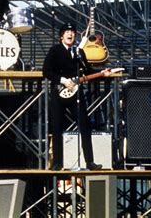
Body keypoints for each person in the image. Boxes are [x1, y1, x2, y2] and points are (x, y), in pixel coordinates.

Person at [42, 23, 111, 171]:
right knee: (57, 127)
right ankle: (57, 163)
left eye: (72, 32)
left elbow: (87, 71)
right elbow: (46, 71)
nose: (70, 34)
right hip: (59, 91)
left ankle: (90, 162)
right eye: (67, 32)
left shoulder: (79, 52)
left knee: (85, 125)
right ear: (62, 35)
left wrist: (103, 73)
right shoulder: (55, 50)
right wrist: (62, 80)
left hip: (76, 93)